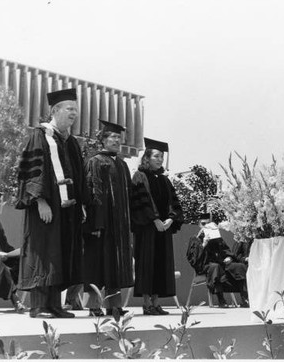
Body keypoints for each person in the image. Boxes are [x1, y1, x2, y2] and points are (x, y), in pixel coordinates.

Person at [15, 88, 87, 318]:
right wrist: (40, 201)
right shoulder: (40, 136)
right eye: (69, 109)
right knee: (44, 252)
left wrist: (82, 204)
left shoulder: (71, 142)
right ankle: (38, 306)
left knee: (60, 252)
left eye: (75, 109)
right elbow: (31, 171)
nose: (74, 113)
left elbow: (79, 177)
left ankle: (55, 305)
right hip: (45, 208)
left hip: (66, 210)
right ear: (55, 110)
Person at [83, 120, 134, 317]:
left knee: (115, 266)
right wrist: (94, 223)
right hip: (100, 224)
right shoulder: (95, 161)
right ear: (103, 140)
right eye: (112, 137)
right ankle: (94, 306)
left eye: (118, 138)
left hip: (118, 227)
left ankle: (114, 306)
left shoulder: (121, 164)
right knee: (96, 265)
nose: (116, 140)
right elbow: (91, 193)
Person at [131, 138, 184, 315]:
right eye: (156, 156)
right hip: (147, 229)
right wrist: (155, 220)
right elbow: (141, 201)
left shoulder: (164, 180)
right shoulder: (139, 176)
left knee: (161, 265)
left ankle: (156, 302)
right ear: (147, 157)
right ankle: (147, 304)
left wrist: (170, 219)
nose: (159, 159)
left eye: (161, 156)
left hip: (163, 230)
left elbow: (174, 204)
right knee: (147, 265)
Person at [189, 213, 249, 308]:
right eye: (204, 224)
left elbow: (226, 250)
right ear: (199, 224)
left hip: (221, 262)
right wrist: (203, 244)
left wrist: (229, 257)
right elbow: (193, 258)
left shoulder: (216, 237)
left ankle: (245, 299)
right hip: (205, 265)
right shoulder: (195, 238)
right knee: (215, 267)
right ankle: (221, 300)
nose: (207, 226)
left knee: (239, 266)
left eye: (209, 224)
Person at [0, 189, 27, 313]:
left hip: (0, 254)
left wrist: (10, 253)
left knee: (21, 259)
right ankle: (15, 299)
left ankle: (40, 301)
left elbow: (3, 242)